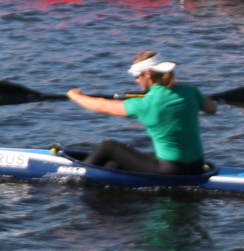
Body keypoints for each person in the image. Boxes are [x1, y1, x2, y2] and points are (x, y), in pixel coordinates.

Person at [63, 51, 217, 178]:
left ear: (148, 75)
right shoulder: (191, 91)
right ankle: (106, 175)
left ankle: (77, 177)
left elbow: (101, 106)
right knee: (114, 162)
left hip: (171, 171)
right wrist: (199, 98)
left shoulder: (147, 104)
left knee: (108, 146)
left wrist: (76, 96)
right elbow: (211, 108)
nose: (136, 81)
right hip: (196, 166)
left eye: (137, 76)